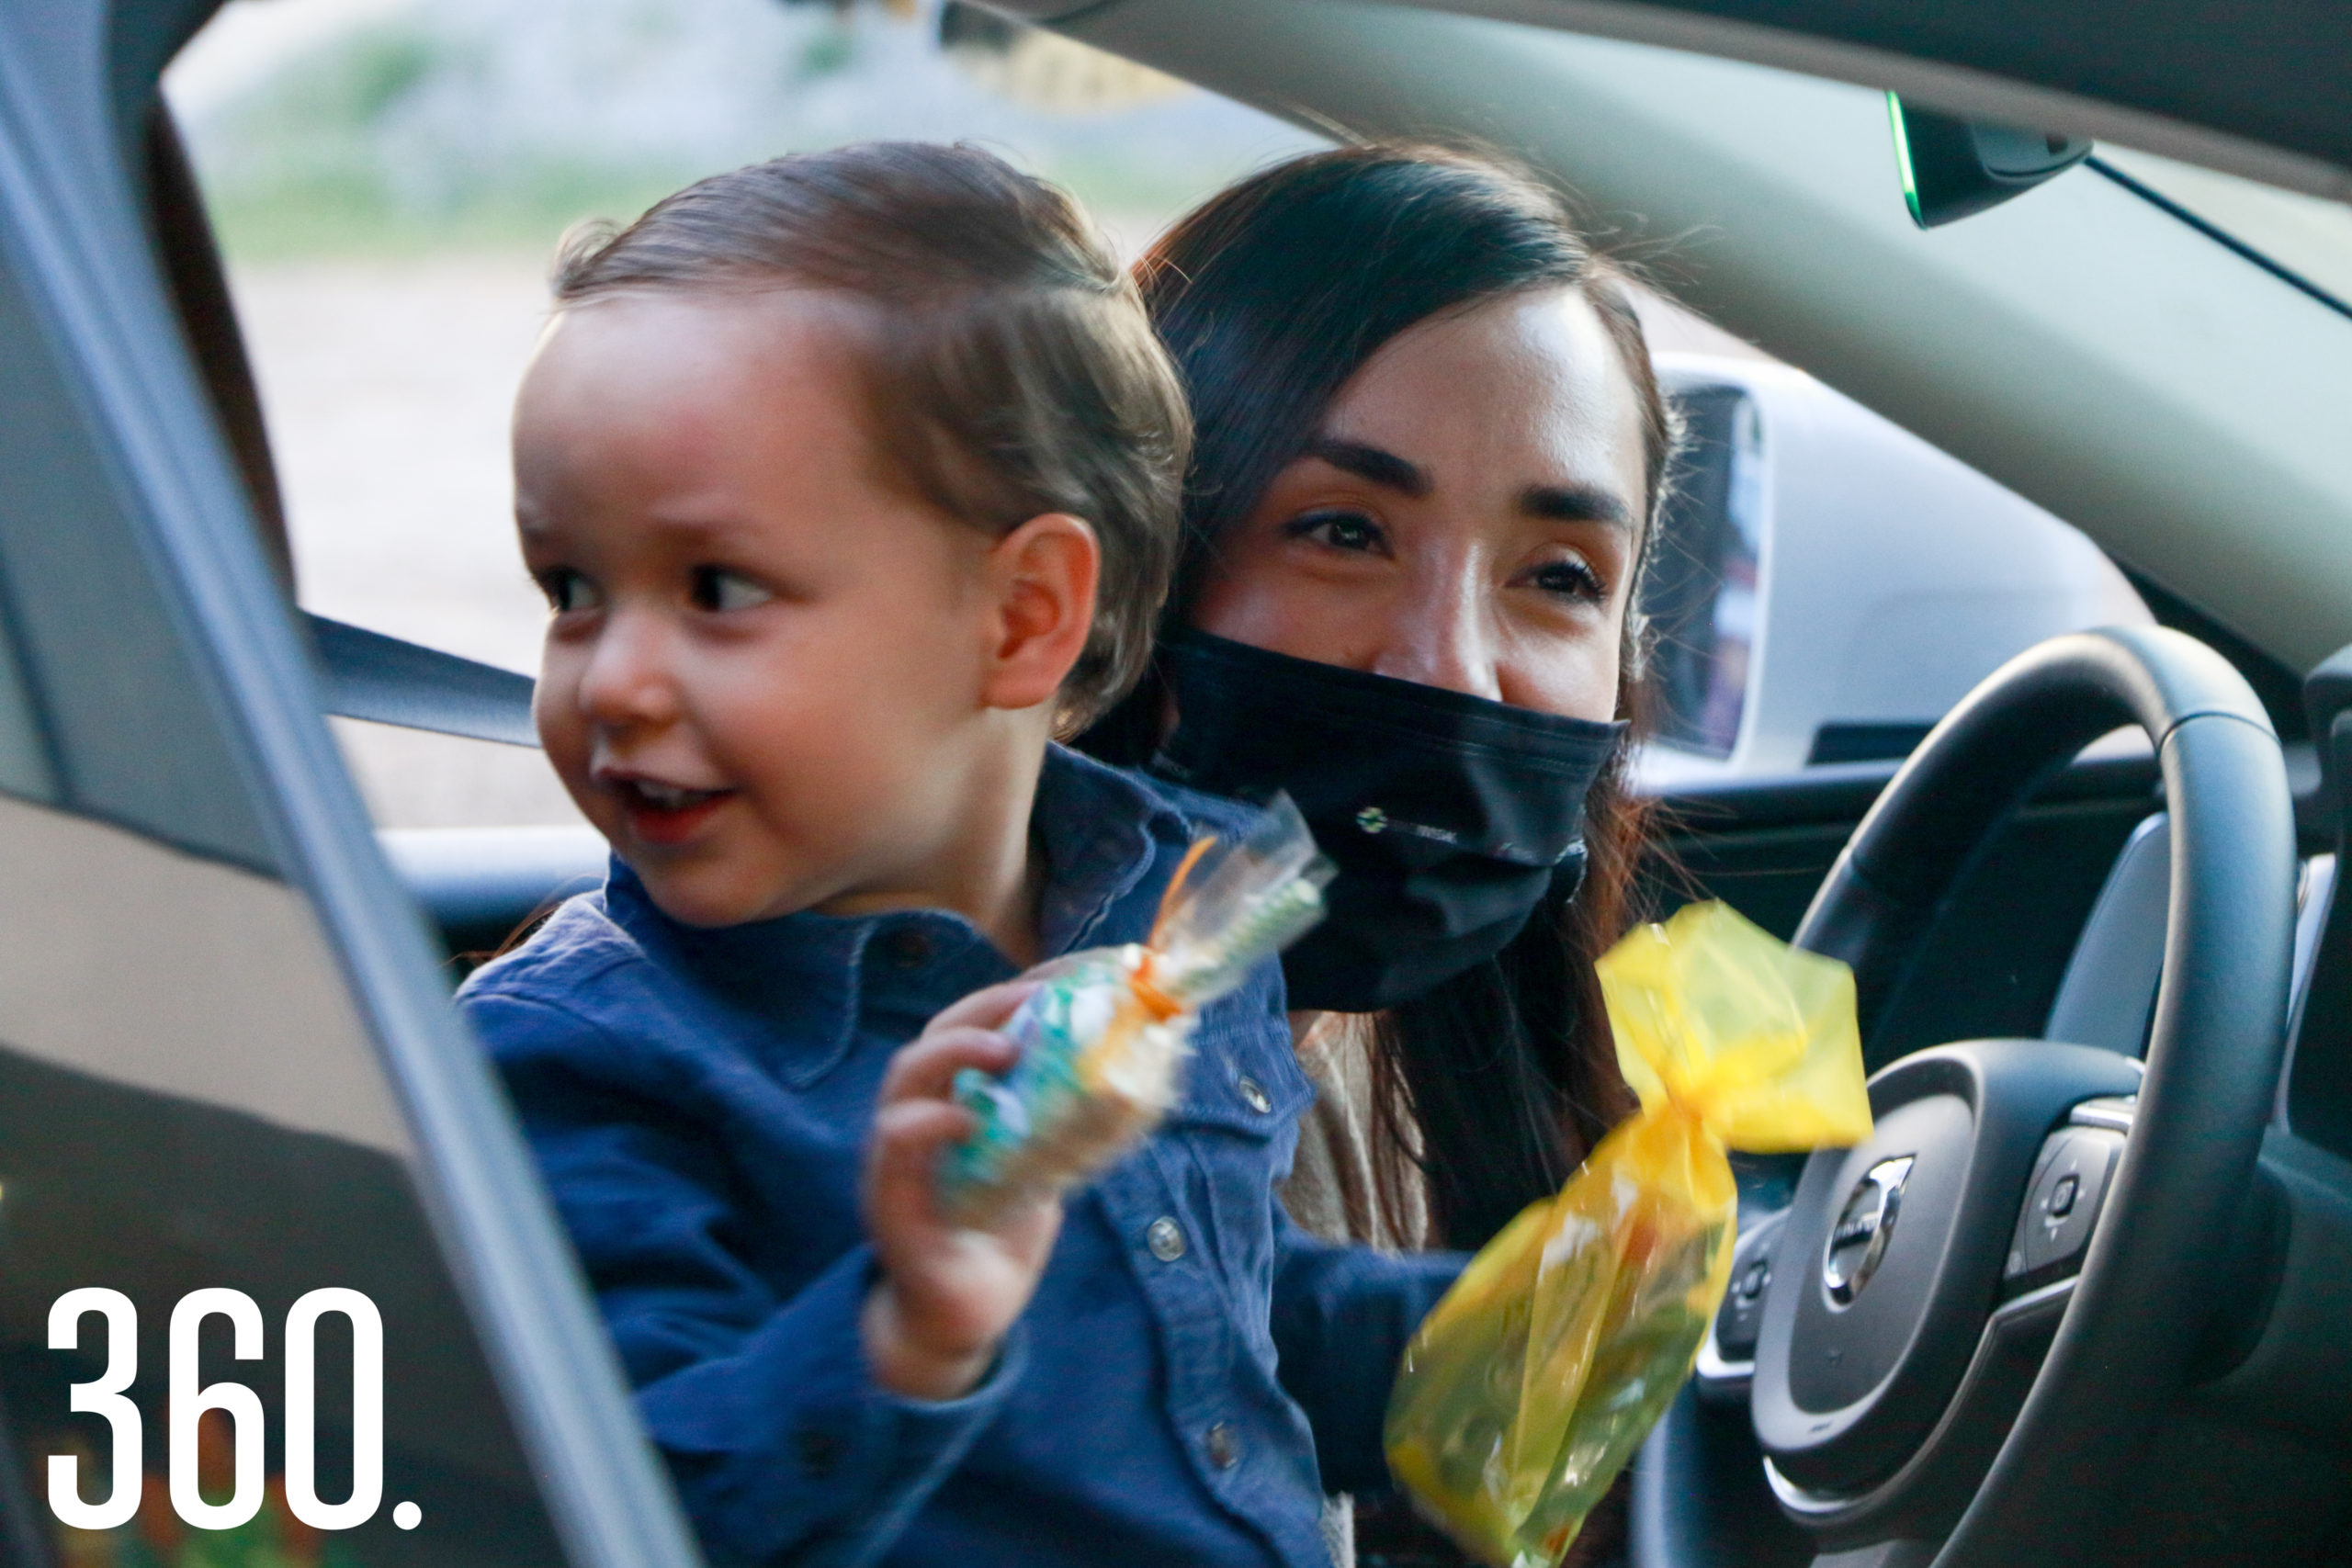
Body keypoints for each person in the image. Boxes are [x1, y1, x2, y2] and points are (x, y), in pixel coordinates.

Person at [459, 141, 1458, 1568]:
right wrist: (904, 1329)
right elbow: (611, 1514)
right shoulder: (581, 1064)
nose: (611, 681)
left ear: (1023, 617)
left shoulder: (1182, 908)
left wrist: (1497, 1327)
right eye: (572, 590)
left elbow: (1215, 1308)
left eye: (716, 589)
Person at [1084, 143, 1679, 1564]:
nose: (1454, 667)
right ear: (1129, 573)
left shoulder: (1414, 1053)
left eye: (1556, 579)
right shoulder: (1010, 1084)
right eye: (1343, 531)